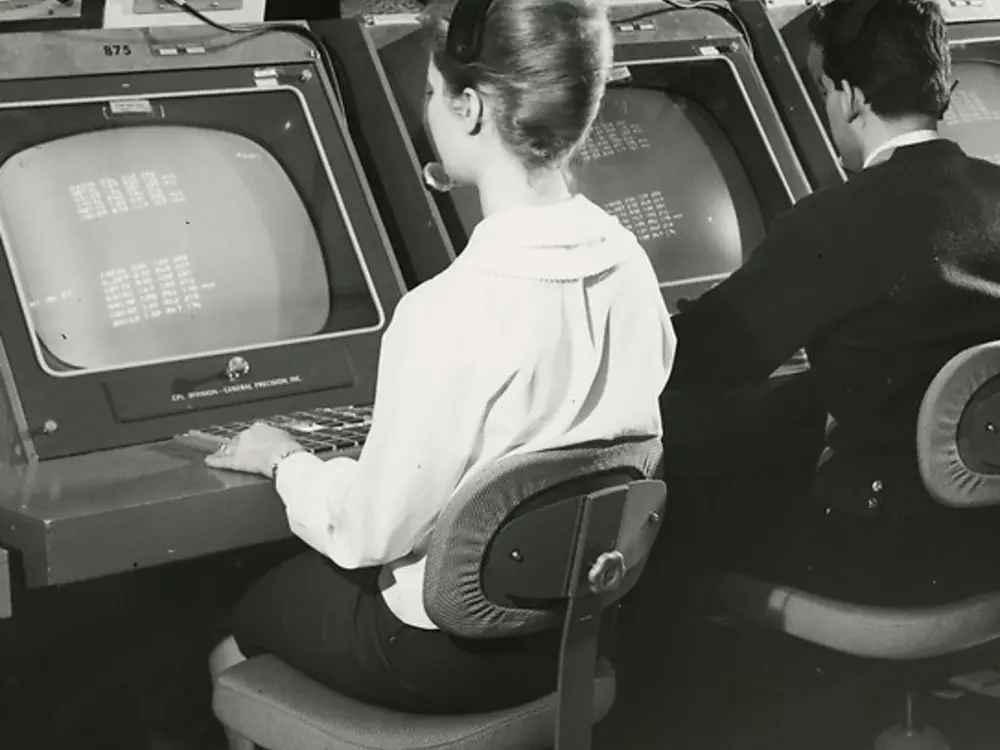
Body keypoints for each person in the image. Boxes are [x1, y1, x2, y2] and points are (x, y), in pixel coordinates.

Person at [205, 0, 675, 734]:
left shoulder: (446, 309)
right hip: (578, 631)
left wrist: (287, 461)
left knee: (239, 633)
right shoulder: (631, 268)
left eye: (429, 94)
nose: (426, 112)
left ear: (471, 108)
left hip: (441, 654)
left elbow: (371, 535)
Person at [662, 0, 1000, 605]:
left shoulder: (832, 223)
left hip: (883, 554)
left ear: (848, 97)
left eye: (822, 91)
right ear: (940, 85)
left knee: (693, 543)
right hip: (988, 543)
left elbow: (704, 364)